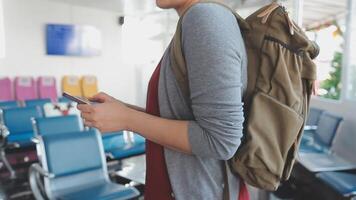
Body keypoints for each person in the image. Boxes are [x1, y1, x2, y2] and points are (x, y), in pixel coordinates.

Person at [77, 0, 248, 199]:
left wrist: (127, 119)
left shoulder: (204, 18)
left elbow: (220, 140)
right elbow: (182, 117)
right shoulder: (199, 20)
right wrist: (124, 110)